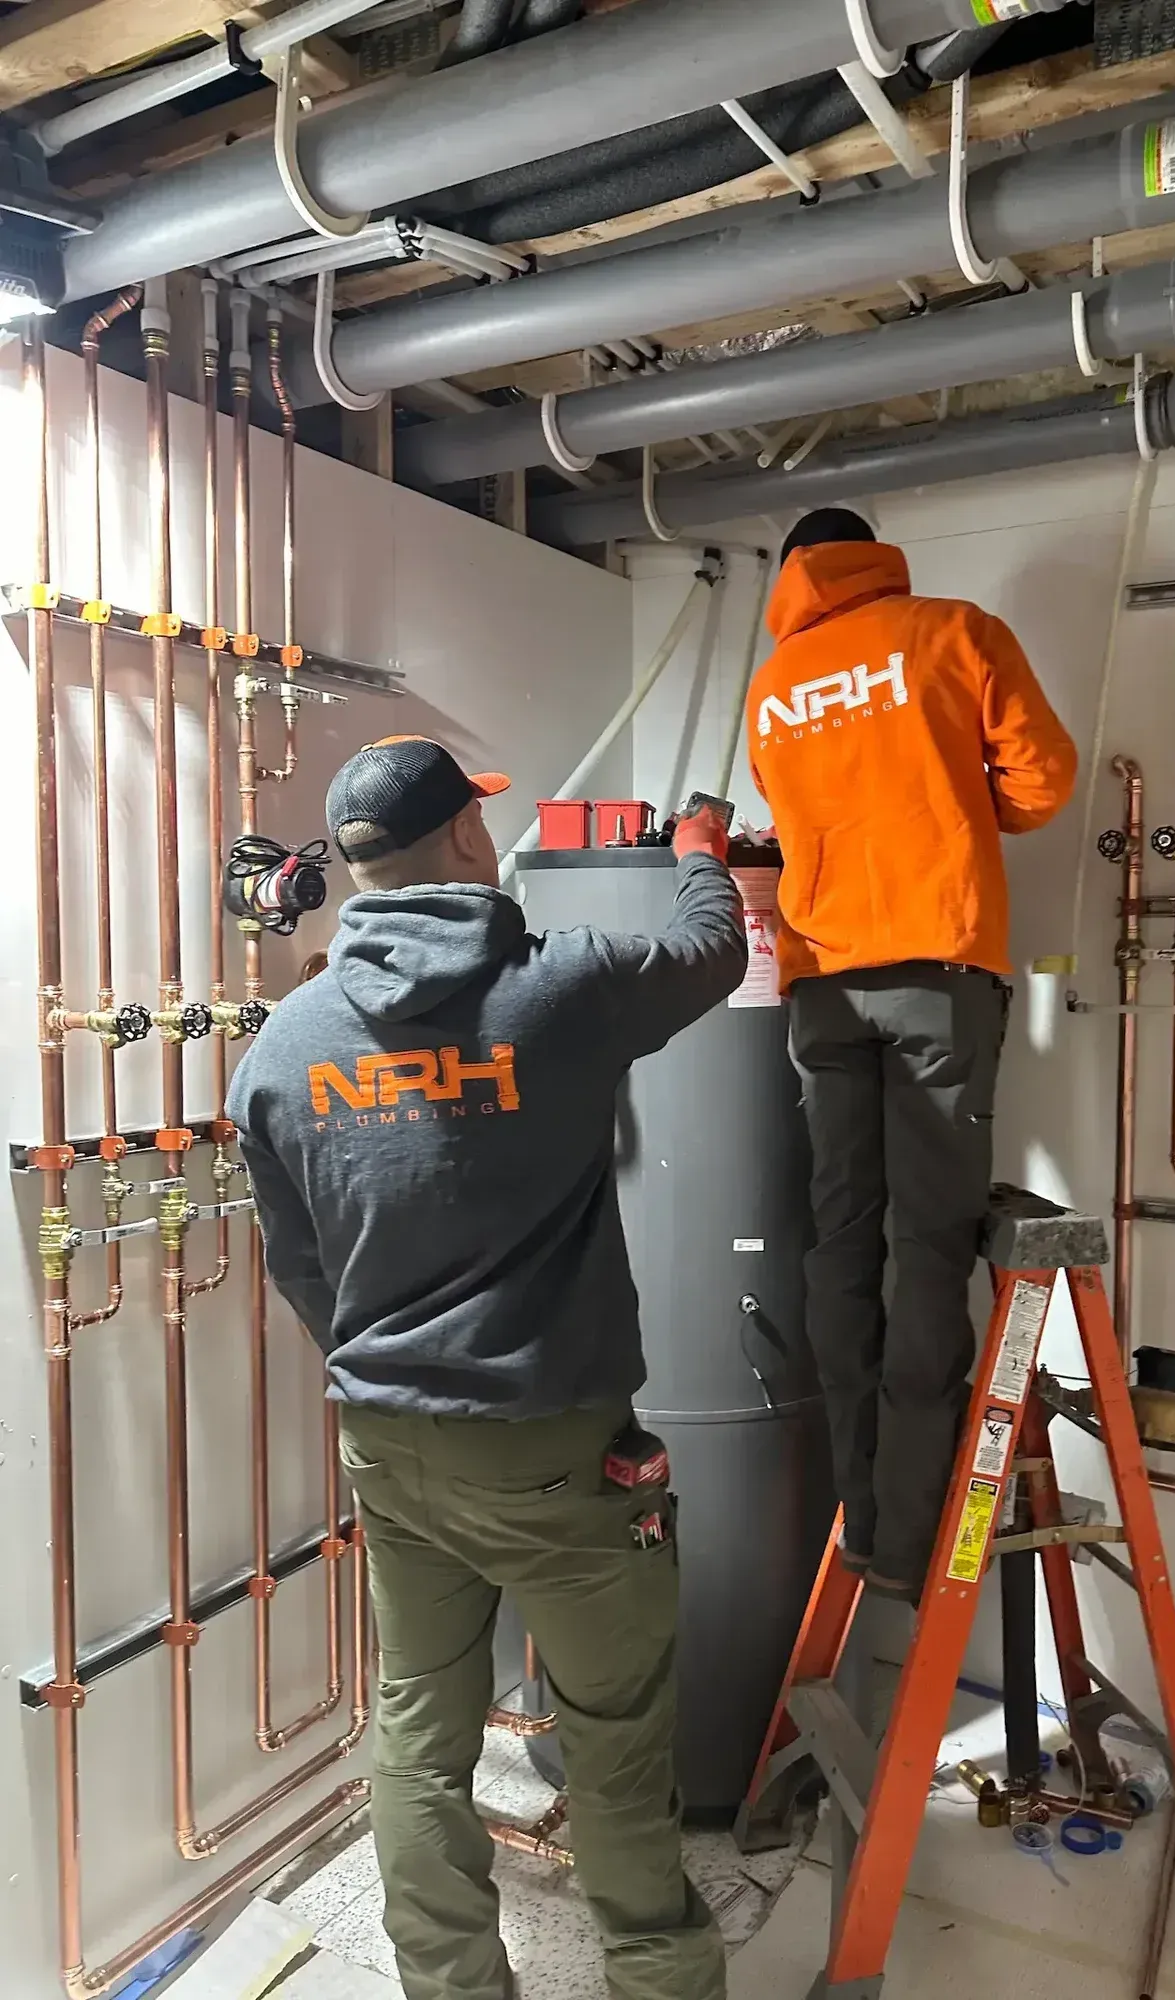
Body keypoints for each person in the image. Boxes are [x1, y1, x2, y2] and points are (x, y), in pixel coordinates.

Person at [227, 735, 747, 2000]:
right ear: (467, 837)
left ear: (352, 869)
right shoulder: (557, 990)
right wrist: (699, 852)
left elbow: (300, 1269)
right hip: (558, 1451)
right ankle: (660, 1979)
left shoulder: (280, 1051)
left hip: (392, 1444)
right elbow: (710, 950)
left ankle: (454, 1985)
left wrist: (391, 1368)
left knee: (416, 1725)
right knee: (616, 1741)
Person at [746, 509, 1078, 1602]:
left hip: (822, 981)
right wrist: (956, 806)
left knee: (842, 1235)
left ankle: (862, 1508)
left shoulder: (776, 682)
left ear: (795, 573)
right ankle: (911, 1538)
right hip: (937, 965)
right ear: (874, 555)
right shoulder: (953, 632)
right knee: (924, 1244)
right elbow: (1044, 781)